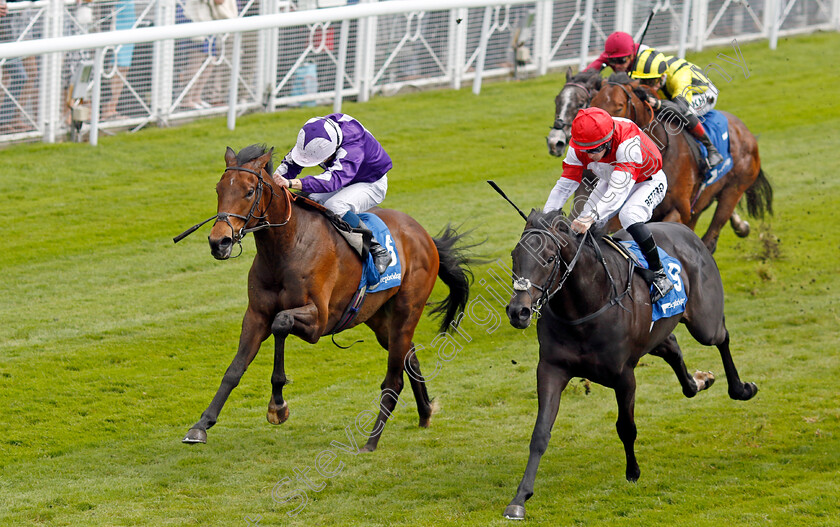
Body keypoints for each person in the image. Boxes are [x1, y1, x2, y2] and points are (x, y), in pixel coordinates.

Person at [544, 107, 674, 302]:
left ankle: (660, 274)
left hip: (647, 180)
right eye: (585, 151)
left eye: (595, 150)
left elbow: (618, 191)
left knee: (629, 215)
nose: (590, 156)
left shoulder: (628, 143)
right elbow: (564, 185)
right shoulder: (579, 145)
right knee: (580, 224)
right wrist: (547, 217)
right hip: (612, 176)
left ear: (608, 140)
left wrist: (590, 217)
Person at [272, 113, 393, 274]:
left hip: (371, 183)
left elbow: (333, 180)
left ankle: (377, 250)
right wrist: (272, 181)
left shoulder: (353, 146)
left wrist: (291, 183)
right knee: (308, 200)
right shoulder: (318, 131)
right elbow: (292, 162)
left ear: (333, 149)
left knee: (335, 206)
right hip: (346, 178)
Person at [584, 31, 723, 169]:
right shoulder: (648, 69)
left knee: (683, 113)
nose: (648, 86)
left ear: (661, 76)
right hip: (670, 91)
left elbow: (681, 107)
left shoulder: (680, 78)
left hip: (702, 94)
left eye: (651, 82)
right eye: (644, 81)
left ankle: (711, 149)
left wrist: (658, 103)